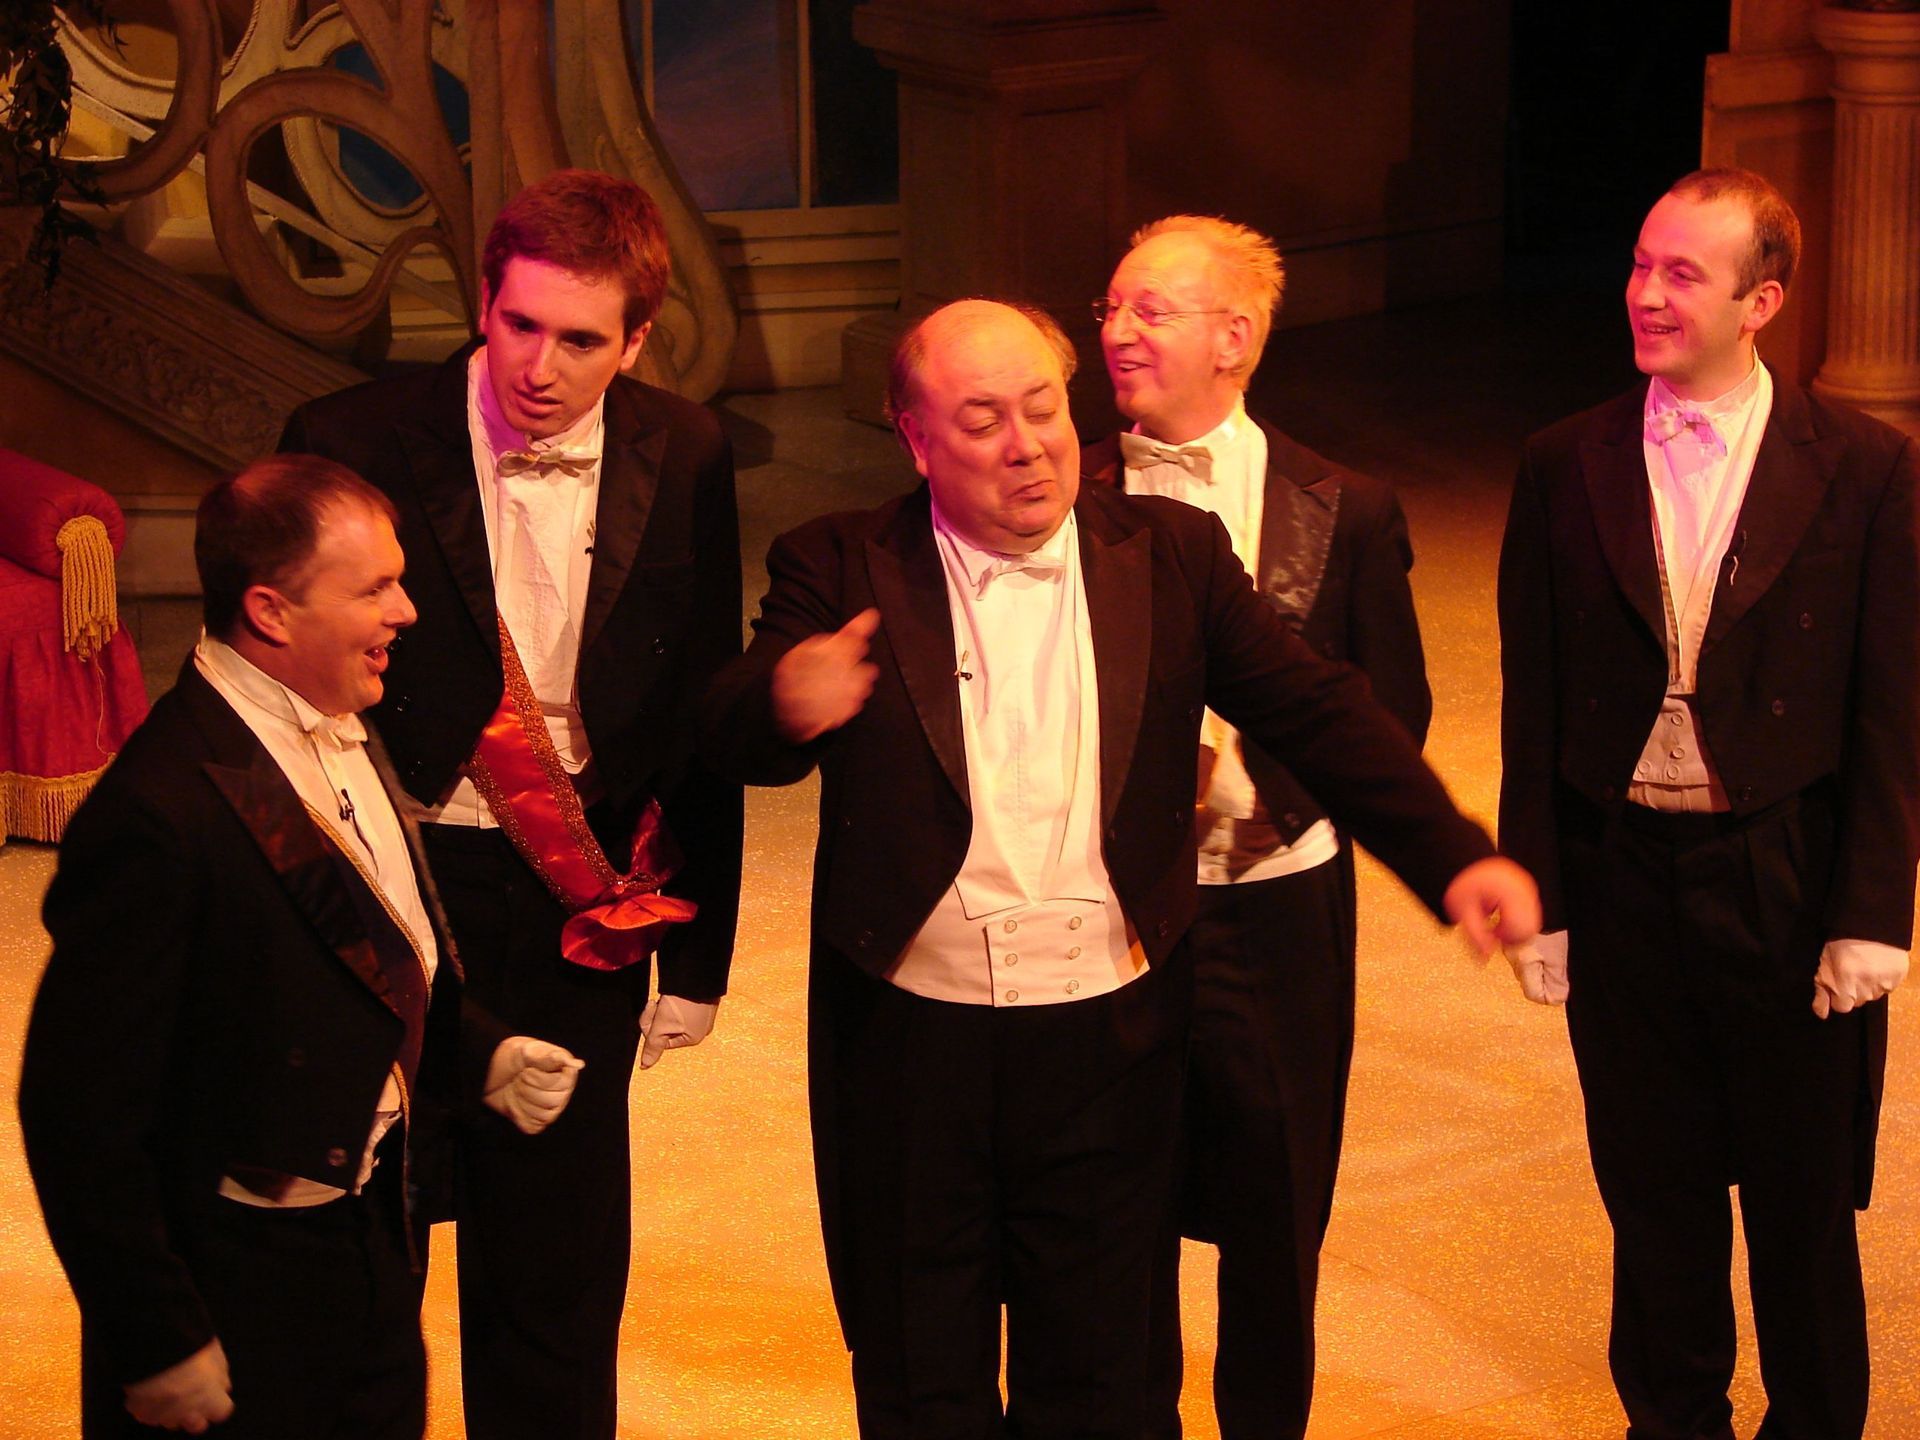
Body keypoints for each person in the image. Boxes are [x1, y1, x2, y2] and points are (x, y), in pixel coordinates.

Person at [700, 297, 1537, 1439]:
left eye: (1043, 407)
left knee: (1104, 1384)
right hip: (911, 1047)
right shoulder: (839, 562)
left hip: (1109, 1041)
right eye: (982, 419)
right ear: (915, 438)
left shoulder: (1173, 555)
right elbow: (723, 727)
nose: (1026, 443)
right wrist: (784, 703)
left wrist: (1451, 855)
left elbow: (1316, 709)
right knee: (918, 1376)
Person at [278, 168, 743, 1440]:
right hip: (393, 893)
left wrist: (697, 956)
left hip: (573, 906)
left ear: (638, 340)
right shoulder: (348, 437)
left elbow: (701, 709)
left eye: (581, 339)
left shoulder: (689, 450)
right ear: (484, 299)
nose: (537, 364)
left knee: (555, 1279)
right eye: (518, 322)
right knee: (366, 1256)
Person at [19, 456, 582, 1439]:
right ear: (272, 613)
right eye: (375, 588)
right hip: (234, 1287)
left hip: (368, 1240)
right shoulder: (155, 818)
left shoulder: (346, 725)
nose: (408, 611)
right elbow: (78, 1117)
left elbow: (355, 951)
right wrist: (155, 1337)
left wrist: (471, 1046)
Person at [1498, 168, 1920, 1440]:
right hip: (1623, 873)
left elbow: (1892, 712)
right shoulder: (1562, 460)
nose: (1646, 294)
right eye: (1640, 265)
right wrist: (1544, 896)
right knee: (1655, 1204)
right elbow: (1537, 702)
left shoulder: (1864, 466)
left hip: (1783, 876)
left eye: (1683, 273)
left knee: (1800, 1215)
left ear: (1764, 301)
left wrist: (1872, 914)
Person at [1084, 214, 1432, 1438]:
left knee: (1278, 1214)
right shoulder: (1067, 494)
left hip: (1281, 901)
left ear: (1234, 338)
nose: (1118, 331)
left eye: (1150, 310)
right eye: (1111, 310)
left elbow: (1391, 717)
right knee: (1115, 1205)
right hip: (1114, 912)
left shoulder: (1347, 506)